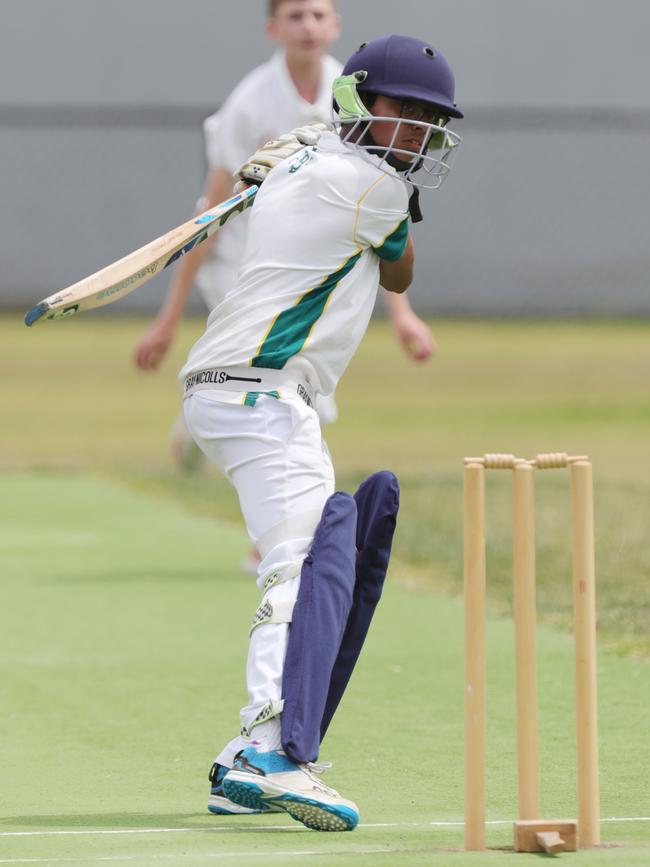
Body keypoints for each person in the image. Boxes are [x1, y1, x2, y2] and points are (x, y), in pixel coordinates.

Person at [179, 34, 463, 831]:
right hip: (258, 393)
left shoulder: (306, 166)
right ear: (356, 104)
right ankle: (274, 748)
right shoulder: (365, 185)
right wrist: (335, 156)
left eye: (428, 121)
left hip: (249, 392)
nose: (415, 132)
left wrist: (307, 151)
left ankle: (246, 756)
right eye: (402, 112)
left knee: (301, 553)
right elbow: (402, 270)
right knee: (300, 563)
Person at [133, 0, 436, 471]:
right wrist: (167, 320)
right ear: (273, 28)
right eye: (296, 16)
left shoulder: (361, 92)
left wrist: (403, 316)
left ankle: (202, 436)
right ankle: (270, 526)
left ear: (335, 26)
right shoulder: (250, 103)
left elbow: (374, 221)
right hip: (243, 263)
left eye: (318, 15)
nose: (308, 27)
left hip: (316, 261)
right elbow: (213, 211)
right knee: (286, 391)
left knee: (284, 391)